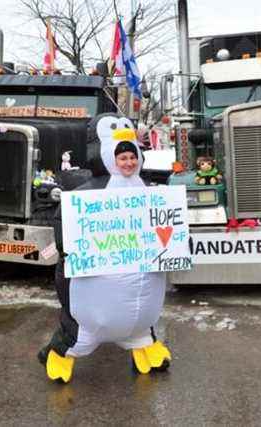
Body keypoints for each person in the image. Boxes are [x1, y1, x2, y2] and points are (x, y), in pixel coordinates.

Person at [37, 114, 172, 383]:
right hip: (96, 286)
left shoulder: (148, 190)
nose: (129, 162)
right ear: (107, 155)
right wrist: (68, 250)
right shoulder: (88, 193)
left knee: (141, 320)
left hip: (141, 275)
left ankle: (144, 343)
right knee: (84, 329)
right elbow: (65, 223)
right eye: (122, 157)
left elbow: (167, 224)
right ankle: (61, 352)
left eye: (133, 156)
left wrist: (176, 245)